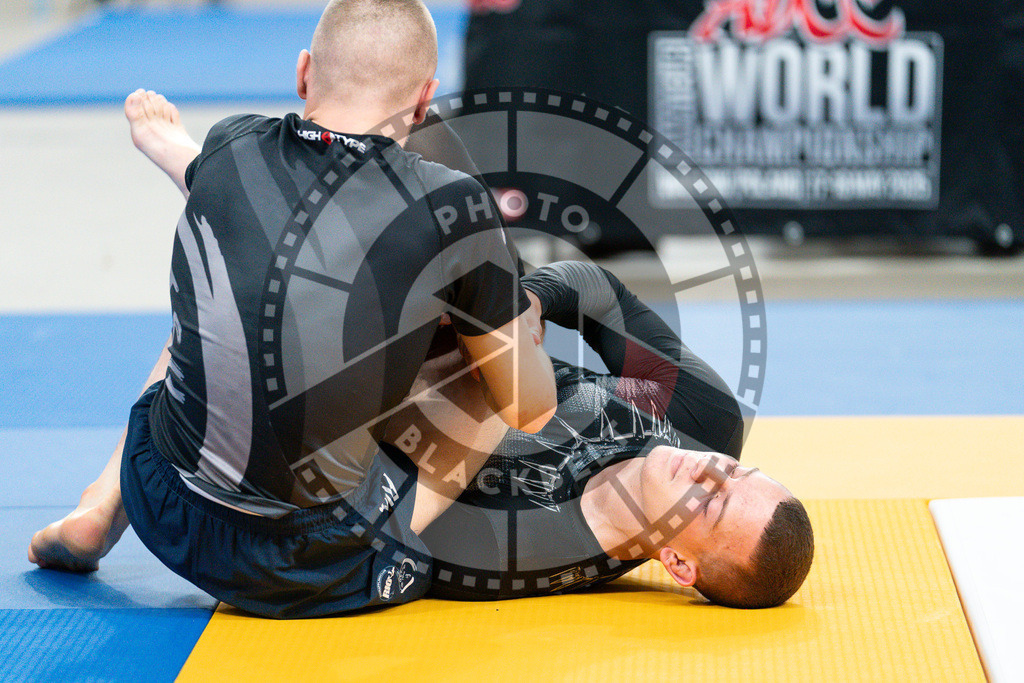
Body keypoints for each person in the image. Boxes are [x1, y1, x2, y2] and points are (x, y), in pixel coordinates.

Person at [28, 0, 556, 618]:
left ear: (303, 73)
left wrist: (171, 147)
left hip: (168, 507)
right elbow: (530, 409)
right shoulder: (455, 205)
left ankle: (98, 506)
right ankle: (386, 524)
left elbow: (226, 188)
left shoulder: (231, 141)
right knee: (483, 369)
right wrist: (514, 319)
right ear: (423, 100)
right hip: (322, 565)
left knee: (218, 303)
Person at [393, 261, 814, 609]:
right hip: (456, 296)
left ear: (678, 564)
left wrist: (491, 348)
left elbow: (380, 509)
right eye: (735, 471)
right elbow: (605, 298)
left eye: (709, 504)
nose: (708, 468)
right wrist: (527, 305)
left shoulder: (505, 551)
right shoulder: (707, 420)